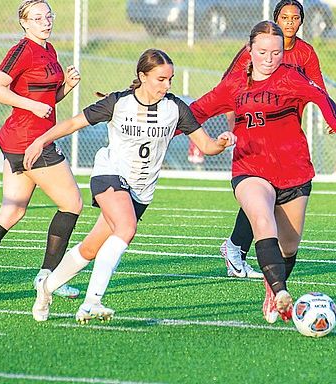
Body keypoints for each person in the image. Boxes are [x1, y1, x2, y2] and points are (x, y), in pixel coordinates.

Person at [25, 48, 236, 323]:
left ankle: (46, 287)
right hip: (110, 175)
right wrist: (40, 141)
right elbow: (74, 123)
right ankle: (92, 302)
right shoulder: (118, 103)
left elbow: (206, 146)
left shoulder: (175, 109)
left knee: (90, 248)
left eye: (170, 79)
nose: (167, 85)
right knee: (126, 228)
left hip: (141, 190)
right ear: (142, 76)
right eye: (161, 79)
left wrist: (220, 142)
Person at [190, 20, 336, 323]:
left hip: (294, 170)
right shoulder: (234, 84)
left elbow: (320, 96)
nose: (269, 58)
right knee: (263, 221)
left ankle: (271, 289)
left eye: (276, 53)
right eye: (263, 51)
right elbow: (194, 111)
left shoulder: (292, 78)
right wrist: (150, 119)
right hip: (250, 168)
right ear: (249, 50)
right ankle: (280, 292)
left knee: (289, 245)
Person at [0, 0, 83, 300]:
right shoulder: (21, 50)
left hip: (26, 138)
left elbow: (45, 102)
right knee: (72, 204)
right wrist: (32, 105)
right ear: (24, 23)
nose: (45, 21)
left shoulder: (49, 50)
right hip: (30, 140)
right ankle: (49, 279)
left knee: (12, 211)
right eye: (37, 18)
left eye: (48, 16)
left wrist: (66, 88)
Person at [219, 0, 327, 281]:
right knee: (259, 190)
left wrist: (331, 117)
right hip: (255, 133)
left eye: (295, 17)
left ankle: (237, 248)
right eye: (284, 17)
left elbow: (318, 89)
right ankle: (236, 250)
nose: (290, 22)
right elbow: (228, 87)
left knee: (274, 202)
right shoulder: (257, 50)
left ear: (302, 21)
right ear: (275, 19)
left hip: (286, 139)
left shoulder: (305, 53)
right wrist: (236, 125)